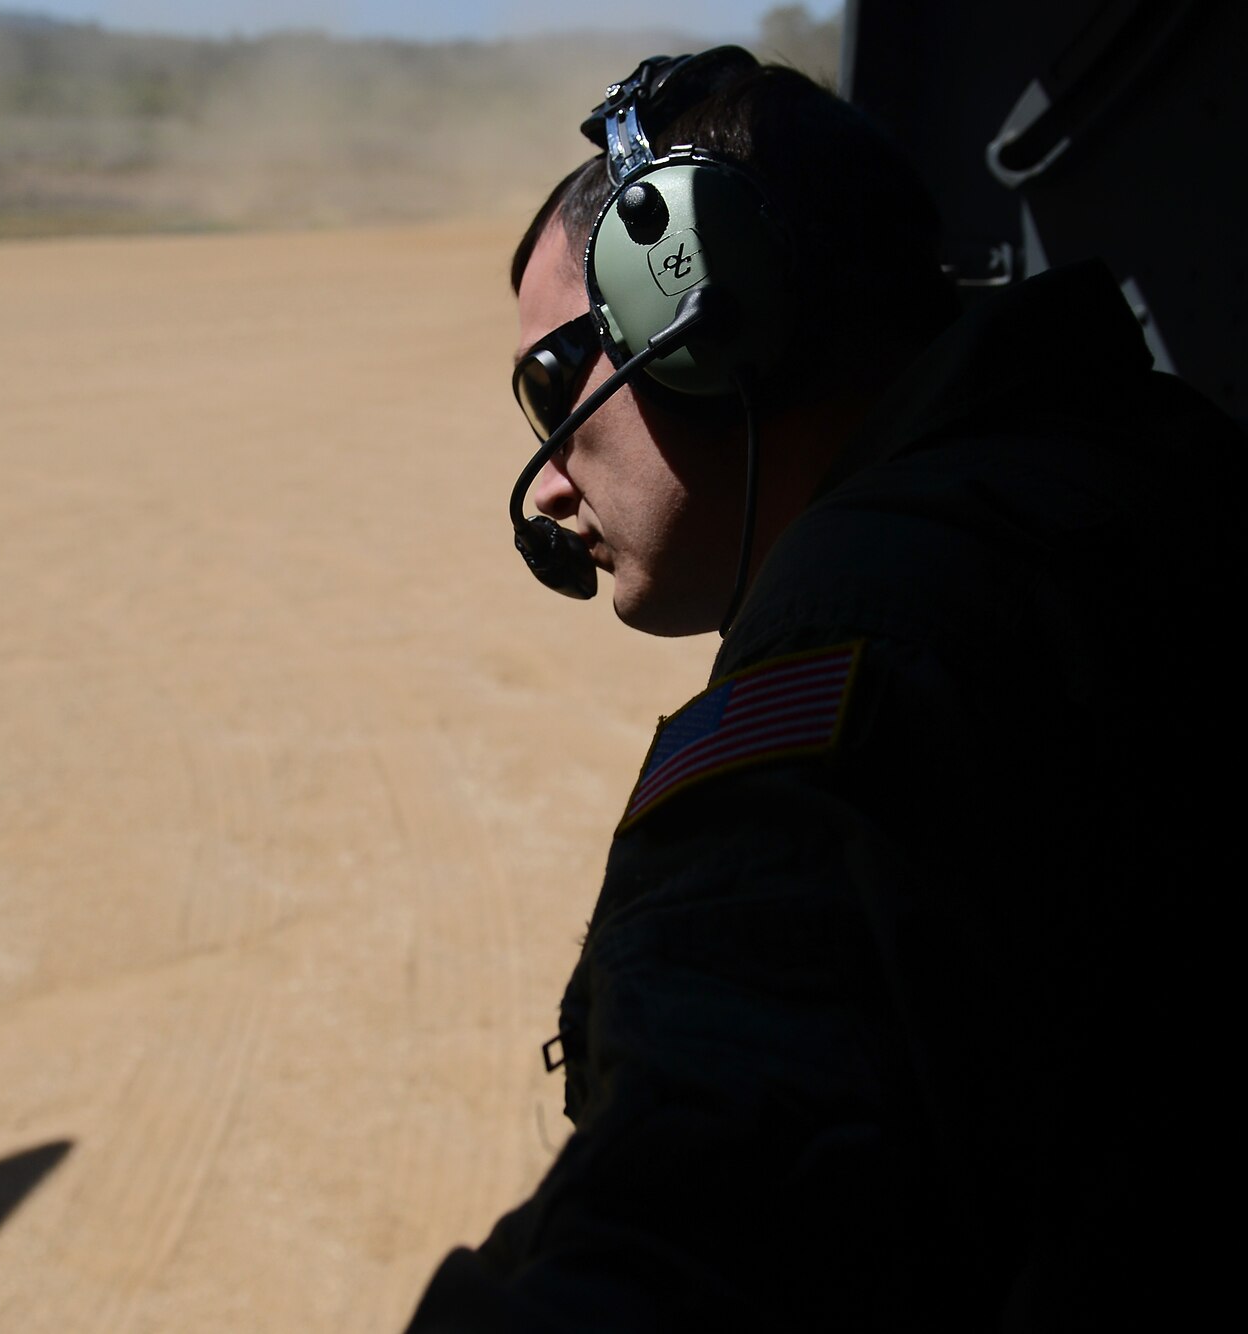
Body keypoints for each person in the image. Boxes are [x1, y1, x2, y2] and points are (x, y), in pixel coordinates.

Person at [406, 47, 1240, 1331]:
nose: (550, 479)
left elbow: (711, 1191)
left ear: (699, 312)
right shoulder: (1121, 473)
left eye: (548, 386)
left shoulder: (881, 626)